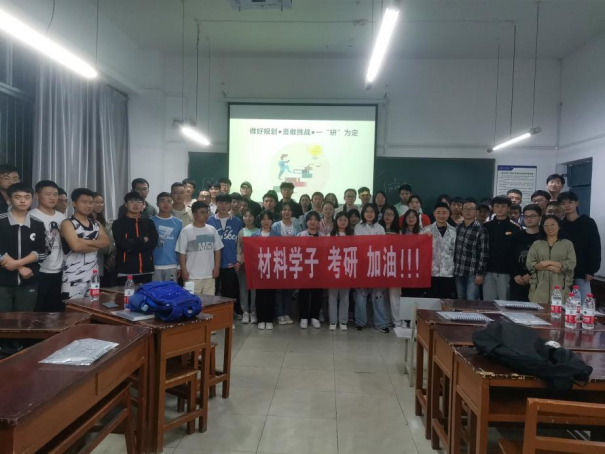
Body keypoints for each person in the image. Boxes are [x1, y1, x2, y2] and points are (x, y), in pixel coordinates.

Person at [0, 183, 47, 311]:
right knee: (3, 320)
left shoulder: (38, 224)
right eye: (17, 197)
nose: (22, 201)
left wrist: (17, 264)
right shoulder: (1, 221)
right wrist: (20, 268)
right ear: (9, 199)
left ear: (32, 199)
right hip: (2, 281)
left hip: (29, 280)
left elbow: (43, 251)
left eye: (27, 197)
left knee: (25, 319)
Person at [61, 188, 110, 300]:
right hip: (72, 277)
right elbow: (76, 247)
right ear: (74, 203)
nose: (88, 205)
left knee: (93, 306)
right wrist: (97, 245)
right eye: (84, 202)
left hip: (93, 276)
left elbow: (106, 243)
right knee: (73, 308)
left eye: (91, 202)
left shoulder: (96, 224)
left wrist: (84, 241)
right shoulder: (68, 223)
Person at [29, 181, 66, 312]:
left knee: (56, 309)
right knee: (38, 309)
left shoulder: (61, 217)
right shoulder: (30, 216)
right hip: (39, 270)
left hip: (60, 270)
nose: (52, 197)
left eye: (55, 194)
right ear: (37, 195)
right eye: (48, 194)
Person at [559, 191, 602, 302]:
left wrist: (591, 270)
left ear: (576, 203)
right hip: (563, 270)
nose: (567, 206)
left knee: (583, 303)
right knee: (563, 302)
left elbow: (595, 246)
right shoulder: (560, 225)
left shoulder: (588, 222)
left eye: (570, 202)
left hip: (583, 270)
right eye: (563, 203)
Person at [354, 203, 390, 333]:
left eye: (372, 211)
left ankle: (380, 323)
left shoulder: (380, 228)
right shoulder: (358, 227)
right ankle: (360, 322)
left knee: (378, 295)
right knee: (361, 295)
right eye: (367, 211)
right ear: (363, 213)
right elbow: (358, 243)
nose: (369, 214)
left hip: (377, 264)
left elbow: (382, 244)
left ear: (376, 214)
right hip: (362, 264)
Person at [527, 215, 576, 305]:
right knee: (539, 311)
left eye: (553, 224)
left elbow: (571, 263)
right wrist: (552, 268)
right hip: (539, 287)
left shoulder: (567, 244)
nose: (549, 227)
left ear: (559, 226)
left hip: (561, 286)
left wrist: (548, 262)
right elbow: (530, 264)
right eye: (546, 225)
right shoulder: (537, 244)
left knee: (558, 311)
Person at [112, 191, 159, 285]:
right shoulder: (118, 223)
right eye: (132, 201)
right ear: (126, 204)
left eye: (139, 202)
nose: (136, 204)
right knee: (126, 295)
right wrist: (142, 240)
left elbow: (152, 243)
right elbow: (122, 244)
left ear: (143, 205)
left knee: (146, 294)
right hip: (126, 270)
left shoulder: (149, 223)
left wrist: (131, 248)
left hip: (146, 269)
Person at [177, 201, 222, 295]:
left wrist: (217, 267)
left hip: (209, 275)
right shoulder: (186, 231)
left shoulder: (212, 230)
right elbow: (182, 253)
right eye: (202, 212)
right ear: (194, 214)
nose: (205, 215)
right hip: (191, 276)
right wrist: (183, 270)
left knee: (210, 302)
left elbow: (217, 250)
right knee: (192, 302)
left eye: (206, 212)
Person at [208, 192, 243, 312]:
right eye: (221, 203)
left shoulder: (237, 222)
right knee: (213, 291)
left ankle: (228, 315)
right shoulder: (209, 220)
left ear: (230, 205)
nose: (223, 206)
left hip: (230, 263)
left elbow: (239, 244)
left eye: (227, 203)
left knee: (229, 292)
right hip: (212, 263)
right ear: (216, 204)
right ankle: (213, 314)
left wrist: (238, 260)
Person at [483, 196, 521, 300]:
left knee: (504, 302)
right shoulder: (486, 226)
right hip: (488, 271)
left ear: (509, 208)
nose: (500, 209)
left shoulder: (515, 227)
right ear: (493, 208)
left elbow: (516, 252)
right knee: (488, 303)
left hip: (506, 271)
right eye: (497, 206)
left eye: (503, 206)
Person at [270, 202, 301, 325]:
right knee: (278, 289)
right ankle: (279, 314)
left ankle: (286, 313)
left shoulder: (297, 225)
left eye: (289, 210)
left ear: (292, 212)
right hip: (279, 259)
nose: (286, 212)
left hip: (292, 260)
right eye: (284, 209)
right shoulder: (276, 226)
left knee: (288, 289)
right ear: (280, 212)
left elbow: (301, 242)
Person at [453, 199, 488, 301]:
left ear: (476, 212)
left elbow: (484, 253)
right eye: (466, 209)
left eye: (471, 209)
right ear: (462, 211)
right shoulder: (457, 228)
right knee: (460, 298)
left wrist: (480, 274)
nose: (468, 211)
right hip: (458, 270)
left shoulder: (481, 229)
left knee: (471, 299)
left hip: (473, 272)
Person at [252, 210, 280, 330]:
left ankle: (269, 319)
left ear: (272, 221)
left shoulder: (277, 235)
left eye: (268, 219)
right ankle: (261, 319)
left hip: (272, 269)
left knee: (270, 295)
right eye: (263, 219)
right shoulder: (255, 235)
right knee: (259, 295)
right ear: (260, 221)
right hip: (259, 269)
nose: (266, 221)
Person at [422, 202, 457, 299]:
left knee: (447, 302)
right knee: (430, 302)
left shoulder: (454, 231)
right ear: (434, 213)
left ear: (449, 213)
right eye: (438, 212)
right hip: (430, 273)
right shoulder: (425, 231)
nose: (441, 215)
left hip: (448, 272)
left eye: (444, 212)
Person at [297, 211, 325, 329]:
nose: (313, 222)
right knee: (303, 294)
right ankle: (303, 317)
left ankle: (315, 317)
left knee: (317, 294)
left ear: (319, 222)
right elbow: (296, 251)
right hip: (304, 269)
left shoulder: (323, 236)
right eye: (310, 219)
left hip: (318, 269)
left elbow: (326, 252)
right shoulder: (301, 235)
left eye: (315, 219)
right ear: (306, 222)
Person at [510, 204, 541, 301]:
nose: (529, 219)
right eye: (526, 216)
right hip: (517, 279)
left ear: (540, 217)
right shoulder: (516, 236)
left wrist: (531, 275)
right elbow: (510, 257)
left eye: (533, 216)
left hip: (538, 281)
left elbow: (545, 259)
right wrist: (515, 274)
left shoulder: (544, 237)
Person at [328, 211, 353, 330]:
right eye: (340, 220)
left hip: (347, 268)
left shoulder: (352, 236)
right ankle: (333, 321)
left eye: (345, 220)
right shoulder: (330, 235)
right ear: (336, 221)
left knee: (345, 297)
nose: (342, 222)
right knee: (332, 297)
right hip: (333, 268)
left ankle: (343, 321)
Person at [380, 205, 404, 326]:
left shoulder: (399, 231)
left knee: (395, 296)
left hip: (394, 266)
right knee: (382, 295)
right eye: (386, 214)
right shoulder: (377, 229)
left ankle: (397, 321)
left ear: (395, 216)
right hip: (380, 265)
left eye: (391, 214)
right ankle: (386, 320)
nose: (388, 216)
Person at [151, 192, 182, 282]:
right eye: (162, 201)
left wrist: (179, 265)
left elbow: (180, 245)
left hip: (172, 264)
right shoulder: (151, 221)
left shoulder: (178, 222)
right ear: (157, 204)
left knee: (171, 290)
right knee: (155, 290)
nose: (166, 204)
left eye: (169, 201)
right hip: (155, 265)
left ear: (172, 204)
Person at [236, 208, 259, 324]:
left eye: (250, 216)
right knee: (243, 288)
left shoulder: (258, 231)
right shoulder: (241, 232)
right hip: (244, 264)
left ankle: (253, 311)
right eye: (245, 216)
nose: (248, 218)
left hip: (256, 265)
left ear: (254, 218)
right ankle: (245, 311)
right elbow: (239, 249)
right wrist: (239, 262)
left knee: (254, 289)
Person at [91, 192, 116, 288]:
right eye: (96, 202)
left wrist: (112, 255)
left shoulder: (102, 220)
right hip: (95, 258)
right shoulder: (88, 221)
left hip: (106, 258)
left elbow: (110, 240)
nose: (100, 205)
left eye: (101, 202)